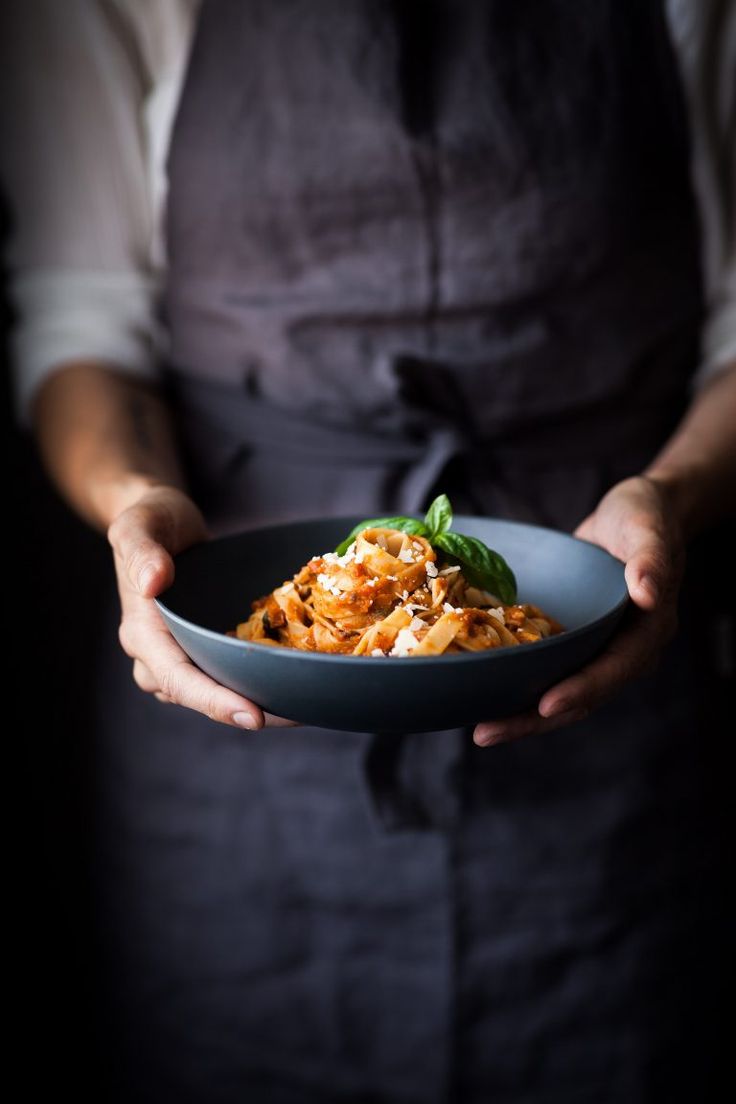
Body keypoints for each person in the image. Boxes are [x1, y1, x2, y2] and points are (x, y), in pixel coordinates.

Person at [2, 1, 735, 1101]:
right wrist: (135, 501)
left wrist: (666, 497)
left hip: (608, 693)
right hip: (232, 728)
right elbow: (83, 324)